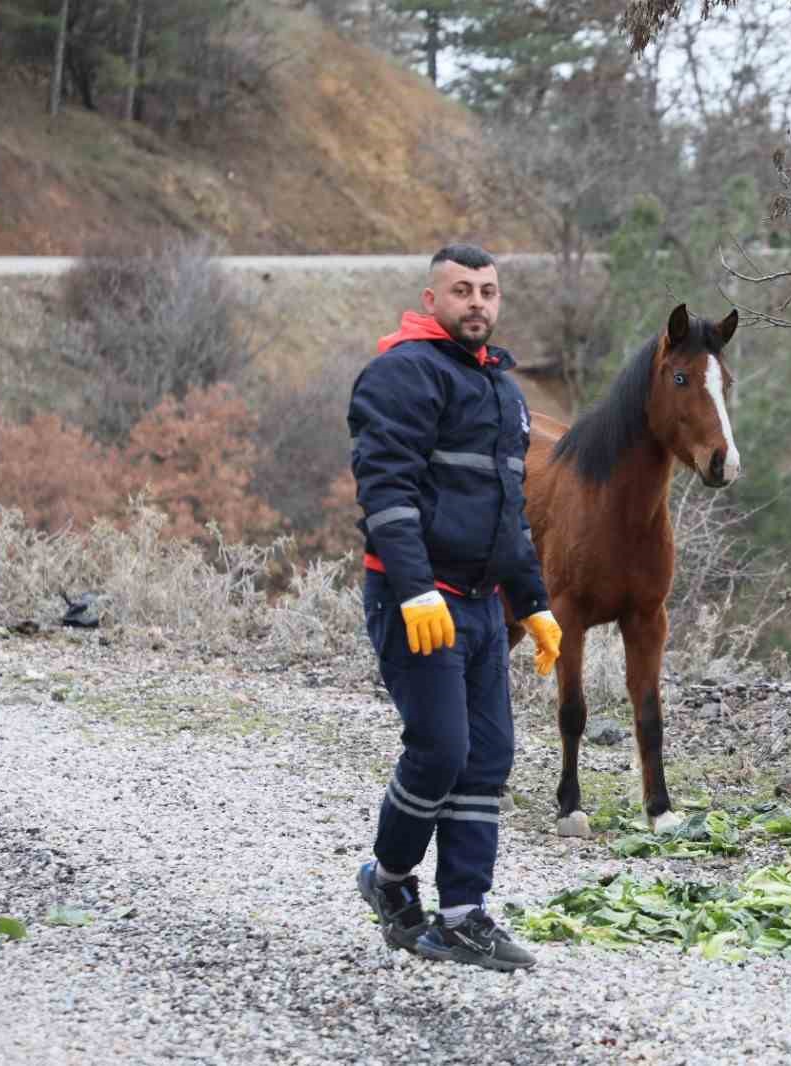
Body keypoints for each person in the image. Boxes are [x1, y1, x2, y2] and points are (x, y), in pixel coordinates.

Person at [347, 243, 562, 971]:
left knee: (488, 756)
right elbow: (386, 492)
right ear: (432, 299)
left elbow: (510, 514)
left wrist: (533, 604)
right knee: (441, 748)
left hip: (482, 605)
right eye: (462, 290)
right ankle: (389, 879)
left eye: (488, 291)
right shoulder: (400, 374)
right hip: (417, 598)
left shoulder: (503, 388)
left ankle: (462, 917)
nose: (478, 302)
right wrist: (413, 589)